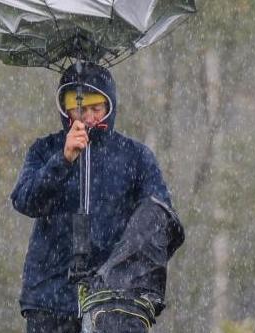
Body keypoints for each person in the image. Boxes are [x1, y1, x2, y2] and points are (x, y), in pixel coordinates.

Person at [11, 62, 181, 333]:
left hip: (114, 302)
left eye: (96, 108)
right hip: (49, 298)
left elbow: (160, 219)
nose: (88, 117)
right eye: (79, 108)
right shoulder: (44, 150)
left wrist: (123, 275)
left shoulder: (136, 157)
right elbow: (25, 200)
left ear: (109, 106)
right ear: (65, 108)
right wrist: (63, 160)